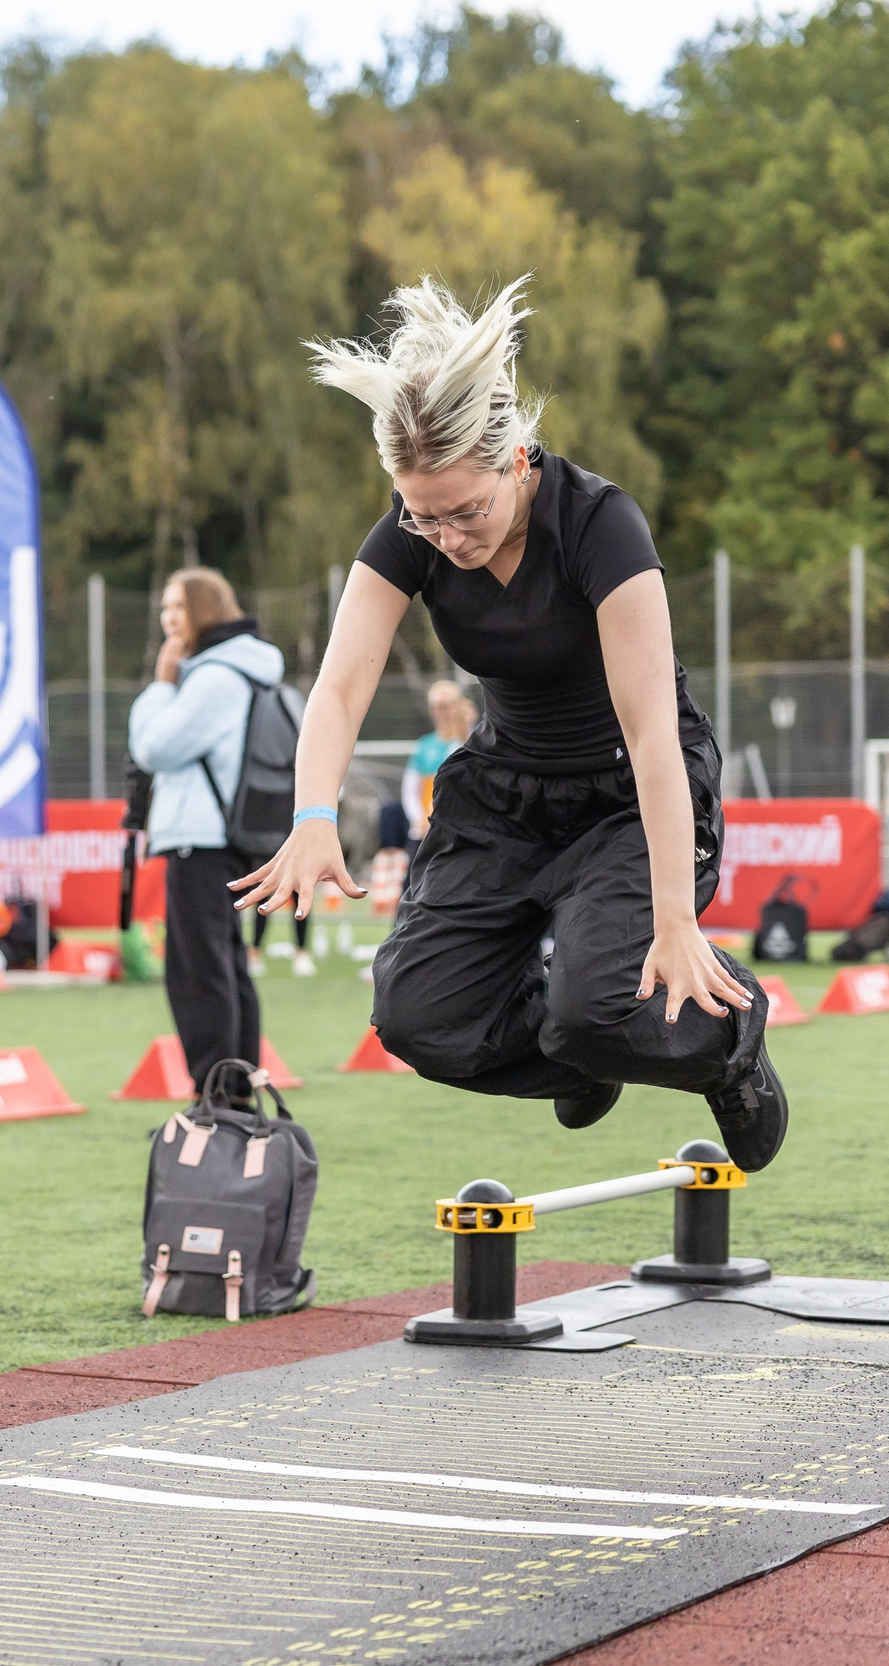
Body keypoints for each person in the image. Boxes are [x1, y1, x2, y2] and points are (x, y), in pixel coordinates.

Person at [234, 277, 782, 1161]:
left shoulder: (602, 527)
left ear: (516, 460)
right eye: (423, 515)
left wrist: (677, 920)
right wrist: (311, 816)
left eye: (465, 511)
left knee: (597, 1002)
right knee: (417, 1016)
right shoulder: (408, 536)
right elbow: (338, 689)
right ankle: (577, 1060)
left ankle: (730, 1048)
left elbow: (651, 737)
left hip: (626, 794)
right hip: (505, 793)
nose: (445, 535)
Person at [129, 566, 285, 1095]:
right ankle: (236, 1091)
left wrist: (160, 683)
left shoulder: (215, 676)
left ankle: (217, 1094)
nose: (167, 619)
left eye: (176, 607)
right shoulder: (250, 668)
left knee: (200, 972)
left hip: (201, 837)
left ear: (203, 610)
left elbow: (154, 748)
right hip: (231, 836)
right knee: (227, 966)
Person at [380, 680, 474, 858]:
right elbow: (410, 790)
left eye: (447, 705)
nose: (443, 712)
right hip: (426, 827)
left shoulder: (470, 743)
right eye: (438, 706)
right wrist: (419, 818)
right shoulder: (424, 746)